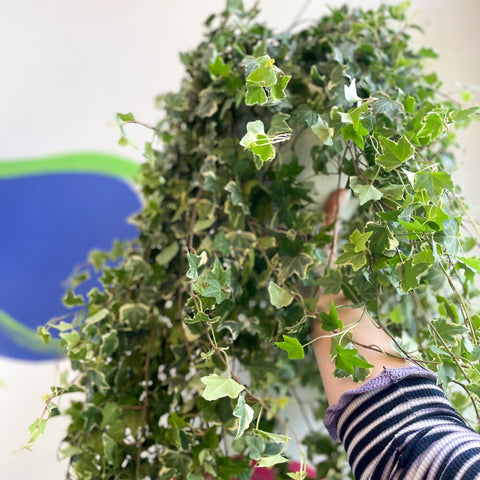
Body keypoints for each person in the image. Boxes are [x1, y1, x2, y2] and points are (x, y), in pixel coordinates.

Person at [311, 190, 480, 480]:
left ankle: (324, 250)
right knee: (338, 314)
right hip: (443, 428)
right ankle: (334, 247)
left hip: (385, 440)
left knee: (332, 315)